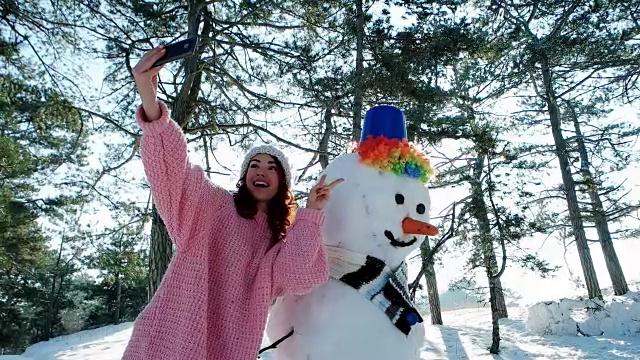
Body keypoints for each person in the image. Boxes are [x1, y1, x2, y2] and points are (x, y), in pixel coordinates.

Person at [122, 45, 343, 360]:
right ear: (244, 176)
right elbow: (171, 171)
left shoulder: (278, 242)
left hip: (225, 351)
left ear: (282, 182)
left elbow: (296, 275)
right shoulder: (210, 207)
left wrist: (311, 215)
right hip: (166, 341)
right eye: (254, 165)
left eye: (271, 167)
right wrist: (151, 105)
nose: (261, 171)